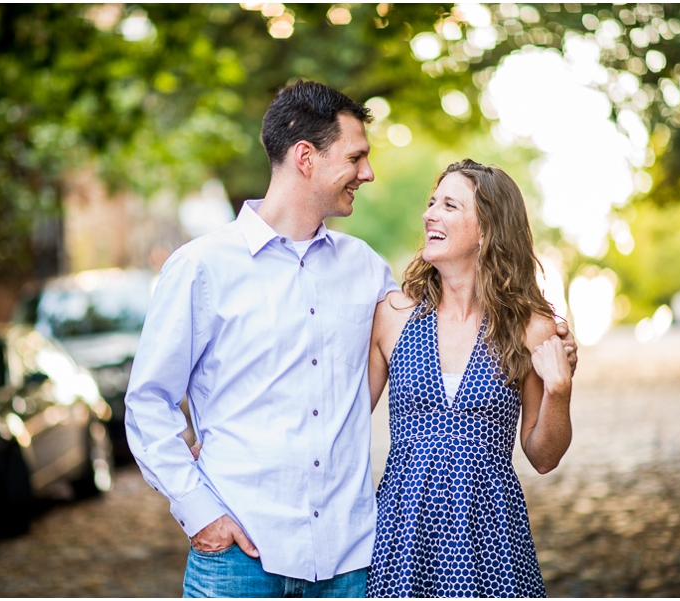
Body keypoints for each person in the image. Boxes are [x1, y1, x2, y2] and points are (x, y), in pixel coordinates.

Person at [125, 80, 577, 598]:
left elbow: (421, 342)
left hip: (349, 561)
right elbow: (147, 404)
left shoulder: (366, 272)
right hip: (241, 554)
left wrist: (555, 356)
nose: (368, 172)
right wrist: (198, 510)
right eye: (356, 156)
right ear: (305, 158)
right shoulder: (200, 267)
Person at [366, 159, 572, 598]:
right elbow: (340, 415)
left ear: (487, 229)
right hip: (403, 537)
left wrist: (559, 391)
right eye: (430, 203)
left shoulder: (531, 328)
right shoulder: (393, 316)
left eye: (449, 206)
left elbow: (543, 456)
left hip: (493, 540)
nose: (429, 214)